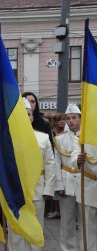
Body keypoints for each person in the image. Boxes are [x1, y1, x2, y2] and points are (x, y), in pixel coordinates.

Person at [7, 98, 55, 251]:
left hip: (37, 188)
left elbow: (50, 165)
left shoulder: (43, 138)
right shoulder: (8, 139)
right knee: (16, 227)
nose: (26, 117)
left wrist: (48, 189)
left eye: (28, 114)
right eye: (22, 114)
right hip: (15, 189)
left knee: (35, 226)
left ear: (32, 117)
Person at [54, 104, 82, 251]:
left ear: (80, 119)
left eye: (74, 118)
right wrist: (58, 185)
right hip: (66, 183)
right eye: (68, 118)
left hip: (84, 183)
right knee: (67, 221)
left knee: (86, 221)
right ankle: (67, 249)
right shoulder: (59, 139)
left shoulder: (90, 136)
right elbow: (56, 163)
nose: (70, 121)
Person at [72, 136, 97, 250]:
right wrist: (77, 159)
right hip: (89, 186)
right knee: (88, 228)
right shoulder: (80, 138)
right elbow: (73, 156)